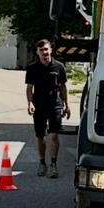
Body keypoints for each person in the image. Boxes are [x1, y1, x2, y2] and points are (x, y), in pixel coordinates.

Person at [25, 39, 70, 178]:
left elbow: (63, 86)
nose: (44, 52)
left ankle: (53, 165)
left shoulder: (59, 67)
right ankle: (42, 163)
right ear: (37, 52)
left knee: (54, 134)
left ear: (51, 50)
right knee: (40, 136)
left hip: (55, 104)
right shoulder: (32, 68)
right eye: (41, 50)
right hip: (39, 104)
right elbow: (29, 88)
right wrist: (30, 103)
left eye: (46, 49)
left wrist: (67, 105)